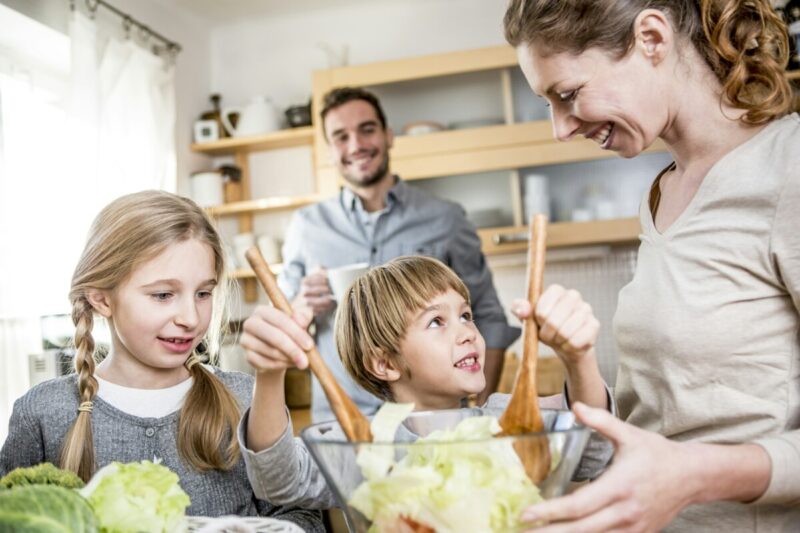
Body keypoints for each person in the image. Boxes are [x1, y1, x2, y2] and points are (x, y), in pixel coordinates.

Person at [502, 0, 800, 531]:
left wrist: (691, 475)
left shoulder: (787, 170)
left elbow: (683, 457)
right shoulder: (662, 190)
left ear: (653, 38)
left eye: (567, 94)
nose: (560, 128)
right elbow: (672, 413)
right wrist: (574, 386)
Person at [0, 191, 323, 531]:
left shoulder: (246, 400)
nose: (190, 317)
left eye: (203, 293)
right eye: (163, 295)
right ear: (101, 299)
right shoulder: (43, 412)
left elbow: (302, 518)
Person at [239, 255, 613, 510]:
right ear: (385, 362)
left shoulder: (507, 419)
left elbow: (595, 451)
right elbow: (279, 481)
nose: (468, 332)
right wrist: (270, 375)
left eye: (466, 315)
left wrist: (578, 359)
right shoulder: (366, 448)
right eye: (437, 322)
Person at [265, 86, 520, 423]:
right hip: (344, 422)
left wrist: (479, 412)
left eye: (367, 130)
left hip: (433, 422)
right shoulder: (306, 227)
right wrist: (301, 307)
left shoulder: (446, 219)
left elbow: (488, 316)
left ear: (388, 136)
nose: (356, 145)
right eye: (341, 137)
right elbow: (279, 328)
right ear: (329, 151)